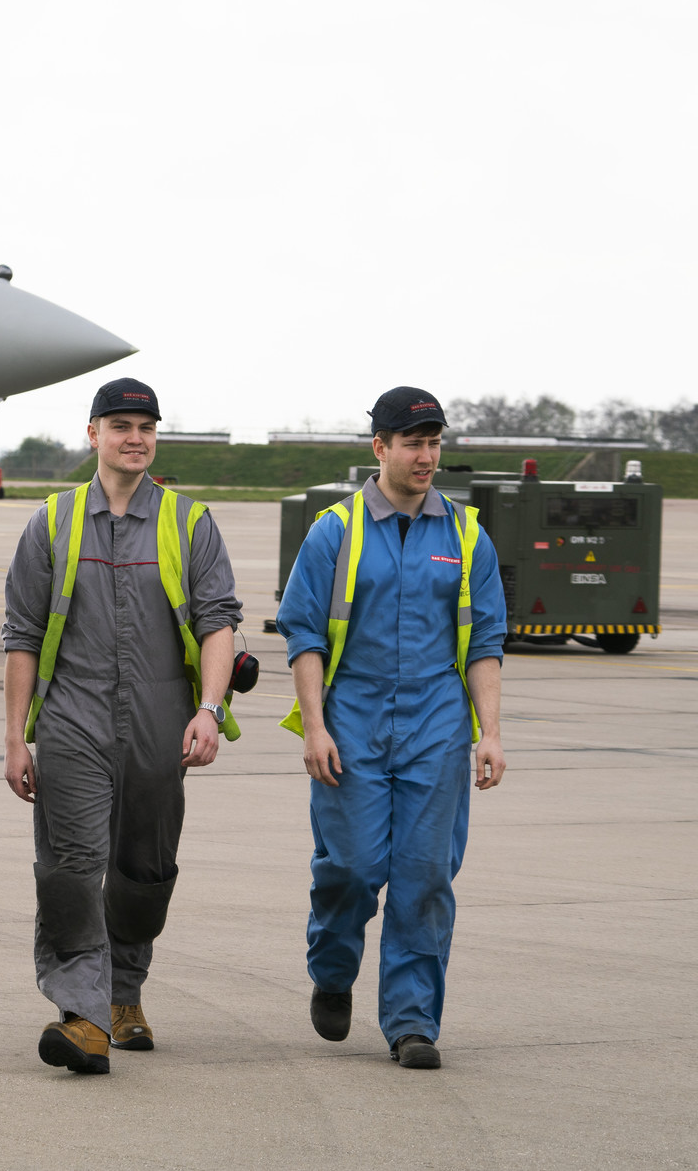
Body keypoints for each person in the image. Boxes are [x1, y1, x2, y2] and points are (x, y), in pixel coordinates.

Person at [0, 378, 243, 1075]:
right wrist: (17, 737)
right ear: (93, 434)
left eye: (145, 426)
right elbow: (21, 633)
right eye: (120, 425)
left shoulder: (188, 523)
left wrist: (211, 708)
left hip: (162, 716)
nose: (134, 437)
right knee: (72, 868)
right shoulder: (52, 521)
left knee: (144, 867)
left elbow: (218, 620)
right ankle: (83, 1014)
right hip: (74, 714)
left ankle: (125, 990)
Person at [275, 386, 506, 1070]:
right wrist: (314, 727)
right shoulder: (335, 531)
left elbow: (486, 640)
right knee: (351, 866)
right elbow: (304, 636)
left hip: (436, 721)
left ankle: (411, 1022)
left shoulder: (466, 535)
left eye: (434, 443)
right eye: (413, 443)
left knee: (424, 875)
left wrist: (489, 732)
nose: (426, 456)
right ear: (380, 448)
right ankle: (333, 965)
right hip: (352, 719)